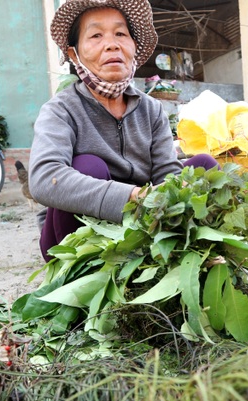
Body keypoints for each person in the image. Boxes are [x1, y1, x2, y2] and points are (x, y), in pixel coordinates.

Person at [29, 0, 218, 261]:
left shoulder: (151, 109)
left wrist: (176, 191)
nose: (111, 44)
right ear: (74, 55)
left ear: (134, 48)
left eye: (120, 34)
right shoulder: (61, 110)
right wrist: (133, 196)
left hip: (138, 228)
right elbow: (44, 179)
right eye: (96, 35)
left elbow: (166, 173)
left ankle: (182, 251)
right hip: (75, 240)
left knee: (204, 167)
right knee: (87, 166)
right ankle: (80, 273)